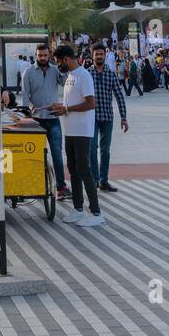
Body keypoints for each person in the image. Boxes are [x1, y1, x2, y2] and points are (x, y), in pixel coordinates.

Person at [49, 45, 104, 228]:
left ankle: (96, 212)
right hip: (70, 131)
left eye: (58, 61)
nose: (58, 65)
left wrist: (67, 109)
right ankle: (78, 209)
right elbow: (70, 104)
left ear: (66, 59)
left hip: (82, 131)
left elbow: (91, 103)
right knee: (73, 170)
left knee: (84, 170)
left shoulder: (83, 76)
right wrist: (61, 108)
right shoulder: (69, 77)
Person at [20, 43, 68, 201]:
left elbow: (65, 83)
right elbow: (25, 95)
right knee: (36, 156)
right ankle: (37, 186)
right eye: (40, 55)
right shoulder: (28, 73)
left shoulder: (55, 70)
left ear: (50, 55)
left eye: (45, 55)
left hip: (53, 119)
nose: (43, 58)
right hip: (36, 120)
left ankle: (61, 187)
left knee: (57, 155)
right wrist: (26, 114)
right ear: (36, 55)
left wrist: (64, 69)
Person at [88, 43, 128, 193]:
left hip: (107, 117)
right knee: (92, 150)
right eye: (96, 54)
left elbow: (119, 96)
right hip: (91, 118)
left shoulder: (110, 74)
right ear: (92, 56)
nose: (99, 56)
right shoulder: (87, 74)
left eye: (101, 54)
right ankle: (94, 180)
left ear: (105, 55)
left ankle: (104, 181)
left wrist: (123, 117)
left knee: (105, 150)